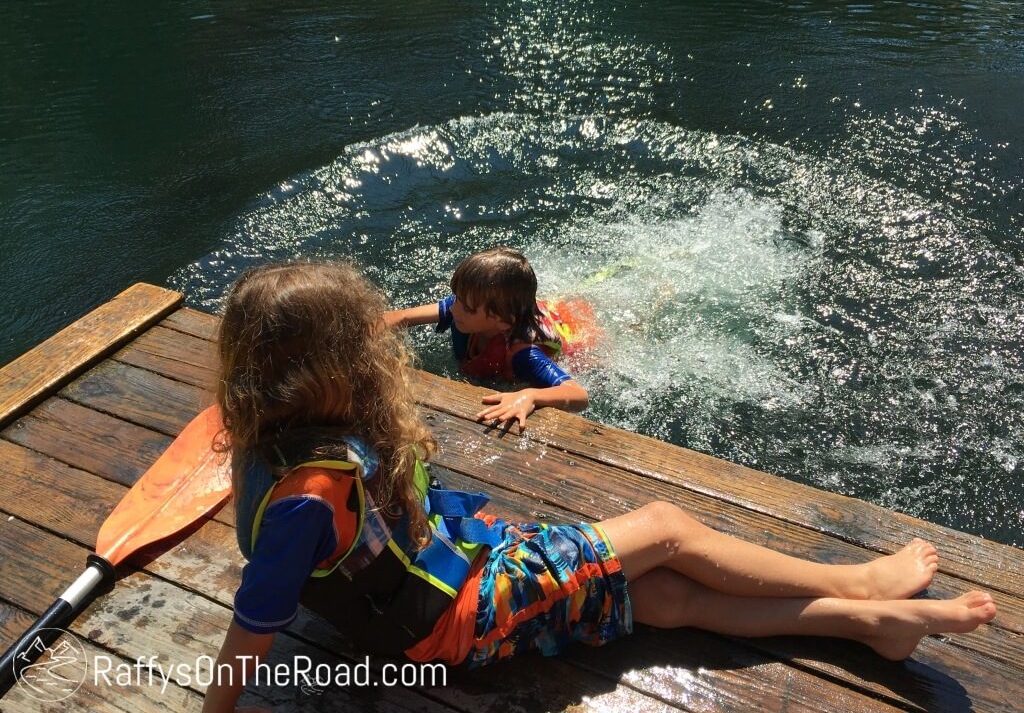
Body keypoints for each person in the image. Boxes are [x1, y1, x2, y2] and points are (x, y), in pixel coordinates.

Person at [202, 261, 997, 713]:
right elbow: (252, 624)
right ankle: (858, 579)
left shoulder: (265, 446)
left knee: (662, 600)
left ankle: (871, 628)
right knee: (663, 526)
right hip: (456, 620)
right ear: (342, 364)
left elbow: (296, 573)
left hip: (444, 595)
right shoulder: (310, 494)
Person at [384, 247, 589, 431]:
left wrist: (530, 395)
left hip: (573, 333)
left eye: (466, 308)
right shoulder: (464, 309)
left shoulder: (523, 354)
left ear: (502, 321)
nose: (452, 309)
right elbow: (400, 317)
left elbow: (579, 395)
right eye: (456, 298)